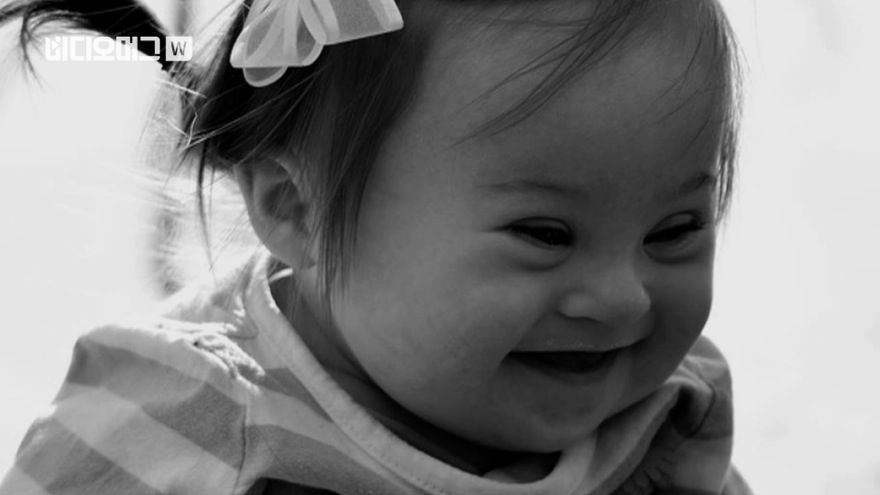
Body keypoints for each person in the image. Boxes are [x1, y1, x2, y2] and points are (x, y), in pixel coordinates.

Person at [0, 0, 752, 493]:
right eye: (546, 235)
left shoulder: (665, 417)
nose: (624, 298)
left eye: (674, 231)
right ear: (296, 207)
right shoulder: (183, 440)